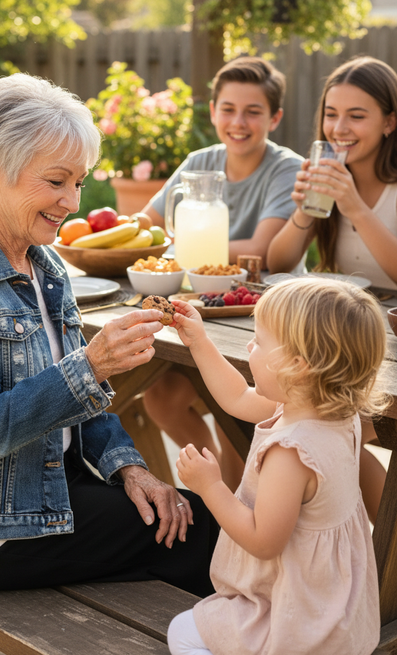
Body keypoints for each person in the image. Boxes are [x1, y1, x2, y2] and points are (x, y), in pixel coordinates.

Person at [0, 73, 217, 597]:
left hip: (45, 485)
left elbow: (75, 403)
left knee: (186, 512)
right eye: (57, 181)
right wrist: (92, 366)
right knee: (204, 536)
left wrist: (130, 468)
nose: (73, 202)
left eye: (79, 182)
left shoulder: (45, 264)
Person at [166, 276, 388, 655]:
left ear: (297, 366)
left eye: (260, 341)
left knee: (183, 631)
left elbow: (262, 541)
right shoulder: (330, 410)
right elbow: (237, 396)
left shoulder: (291, 452)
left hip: (294, 619)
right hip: (332, 605)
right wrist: (199, 342)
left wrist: (210, 487)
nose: (250, 346)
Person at [141, 56, 303, 490]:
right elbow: (146, 225)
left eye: (253, 111)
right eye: (228, 109)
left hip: (264, 324)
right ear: (213, 112)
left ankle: (238, 512)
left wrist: (186, 247)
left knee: (237, 406)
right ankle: (222, 502)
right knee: (160, 396)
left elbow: (263, 252)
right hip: (203, 314)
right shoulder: (199, 162)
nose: (238, 122)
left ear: (275, 117)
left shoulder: (286, 168)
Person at [267, 55, 397, 522]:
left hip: (385, 337)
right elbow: (278, 263)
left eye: (356, 116)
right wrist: (305, 211)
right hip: (352, 334)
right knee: (291, 405)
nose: (339, 127)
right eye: (331, 114)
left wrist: (356, 206)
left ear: (389, 122)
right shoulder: (322, 174)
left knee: (334, 416)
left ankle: (384, 550)